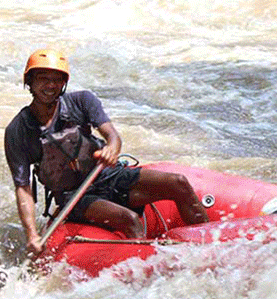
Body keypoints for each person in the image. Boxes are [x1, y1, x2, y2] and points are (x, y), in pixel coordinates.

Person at [5, 48, 210, 255]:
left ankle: (210, 247)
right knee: (129, 219)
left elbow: (113, 136)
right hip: (74, 197)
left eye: (57, 80)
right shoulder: (18, 131)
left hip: (107, 176)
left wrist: (112, 149)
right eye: (43, 79)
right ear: (29, 81)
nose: (50, 85)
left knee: (178, 183)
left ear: (64, 83)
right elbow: (23, 189)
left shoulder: (82, 101)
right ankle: (143, 268)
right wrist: (32, 234)